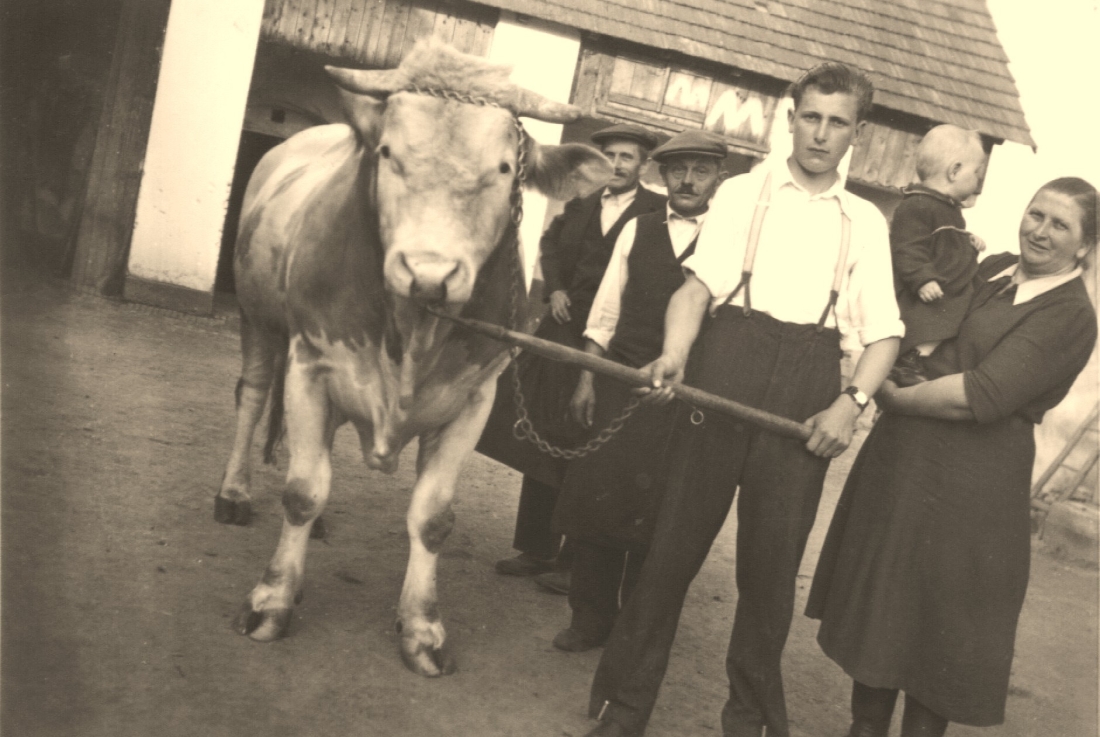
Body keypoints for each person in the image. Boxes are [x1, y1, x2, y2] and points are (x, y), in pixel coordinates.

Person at [583, 62, 903, 737]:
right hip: (724, 372)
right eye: (810, 116)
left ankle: (751, 722)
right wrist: (674, 354)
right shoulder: (742, 193)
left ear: (858, 132)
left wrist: (850, 404)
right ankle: (624, 708)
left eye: (837, 122)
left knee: (769, 575)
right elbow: (694, 292)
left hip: (806, 393)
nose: (820, 133)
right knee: (669, 552)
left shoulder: (865, 222)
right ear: (791, 117)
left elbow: (883, 338)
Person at [806, 177, 1098, 737]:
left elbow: (979, 395)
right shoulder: (992, 269)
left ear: (1084, 247)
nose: (1040, 230)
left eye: (1060, 225)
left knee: (939, 633)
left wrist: (888, 394)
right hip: (904, 469)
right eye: (1037, 214)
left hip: (972, 491)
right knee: (883, 617)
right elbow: (910, 310)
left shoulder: (1070, 315)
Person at [548, 130, 727, 652]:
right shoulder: (638, 229)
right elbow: (605, 309)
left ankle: (633, 623)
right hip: (620, 380)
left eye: (700, 170)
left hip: (684, 394)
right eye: (678, 171)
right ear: (662, 176)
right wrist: (588, 376)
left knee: (658, 512)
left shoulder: (729, 239)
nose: (689, 180)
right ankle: (589, 618)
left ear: (720, 177)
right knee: (597, 503)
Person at [477, 123, 666, 590]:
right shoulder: (580, 206)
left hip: (614, 344)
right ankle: (536, 548)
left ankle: (575, 561)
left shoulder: (657, 213)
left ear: (644, 165)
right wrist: (556, 287)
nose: (619, 165)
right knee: (547, 435)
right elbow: (549, 246)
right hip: (563, 334)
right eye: (612, 156)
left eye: (628, 157)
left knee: (594, 447)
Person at [889, 124, 989, 385]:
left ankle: (920, 358)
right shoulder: (916, 205)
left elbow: (946, 240)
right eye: (977, 172)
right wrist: (922, 279)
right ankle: (908, 360)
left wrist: (969, 241)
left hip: (947, 286)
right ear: (954, 171)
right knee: (927, 323)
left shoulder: (948, 209)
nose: (978, 180)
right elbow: (908, 246)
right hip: (928, 290)